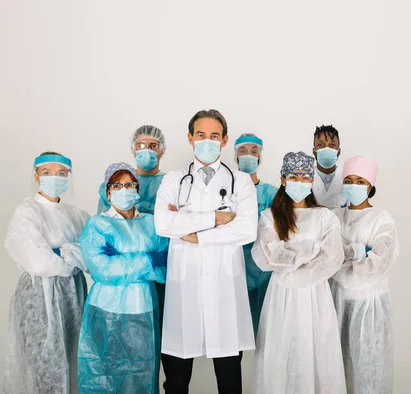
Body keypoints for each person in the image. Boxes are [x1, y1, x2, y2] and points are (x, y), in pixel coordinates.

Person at [154, 109, 257, 394]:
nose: (207, 141)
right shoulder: (174, 179)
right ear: (190, 138)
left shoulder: (241, 181)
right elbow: (163, 223)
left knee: (229, 379)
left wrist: (195, 236)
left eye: (214, 135)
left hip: (225, 286)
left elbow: (247, 230)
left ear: (225, 141)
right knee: (176, 380)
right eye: (201, 135)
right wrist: (215, 218)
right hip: (184, 285)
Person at [251, 151, 346, 394]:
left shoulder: (325, 217)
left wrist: (292, 261)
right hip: (281, 298)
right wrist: (309, 252)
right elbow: (268, 256)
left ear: (312, 180)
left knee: (316, 352)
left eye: (305, 177)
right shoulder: (270, 217)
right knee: (281, 352)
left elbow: (332, 257)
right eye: (294, 176)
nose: (300, 181)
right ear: (283, 178)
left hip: (315, 297)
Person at [77, 163, 168, 394]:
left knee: (141, 375)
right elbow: (102, 271)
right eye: (117, 185)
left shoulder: (151, 222)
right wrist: (148, 259)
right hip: (106, 310)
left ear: (137, 189)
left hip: (143, 307)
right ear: (108, 192)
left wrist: (122, 260)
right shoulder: (98, 224)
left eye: (129, 184)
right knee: (104, 375)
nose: (124, 189)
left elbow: (167, 266)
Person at [3, 152, 89, 394]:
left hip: (74, 295)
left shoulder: (77, 215)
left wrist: (61, 252)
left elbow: (91, 253)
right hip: (39, 297)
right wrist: (72, 256)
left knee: (74, 359)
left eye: (61, 173)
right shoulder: (27, 211)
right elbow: (38, 261)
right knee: (45, 365)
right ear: (36, 175)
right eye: (47, 172)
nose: (55, 178)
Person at [330, 156, 399, 394]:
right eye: (348, 180)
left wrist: (348, 255)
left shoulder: (382, 219)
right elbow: (329, 258)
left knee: (369, 369)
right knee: (337, 367)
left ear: (370, 186)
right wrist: (360, 250)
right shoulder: (335, 218)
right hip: (337, 300)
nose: (354, 185)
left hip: (369, 303)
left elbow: (380, 261)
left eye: (360, 181)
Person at [96, 125, 169, 330]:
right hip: (122, 278)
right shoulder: (114, 182)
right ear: (133, 149)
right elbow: (105, 227)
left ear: (161, 149)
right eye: (141, 145)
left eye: (153, 145)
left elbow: (171, 229)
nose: (146, 149)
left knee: (156, 329)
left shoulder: (170, 183)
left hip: (157, 274)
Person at [234, 133, 278, 335]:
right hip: (232, 265)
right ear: (235, 157)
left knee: (265, 327)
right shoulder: (225, 190)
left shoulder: (271, 193)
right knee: (234, 330)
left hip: (263, 269)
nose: (248, 155)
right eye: (242, 151)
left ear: (260, 156)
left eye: (253, 151)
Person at [312, 124, 348, 208]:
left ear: (339, 151)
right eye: (321, 145)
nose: (327, 149)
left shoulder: (348, 178)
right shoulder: (304, 179)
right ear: (314, 151)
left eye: (332, 145)